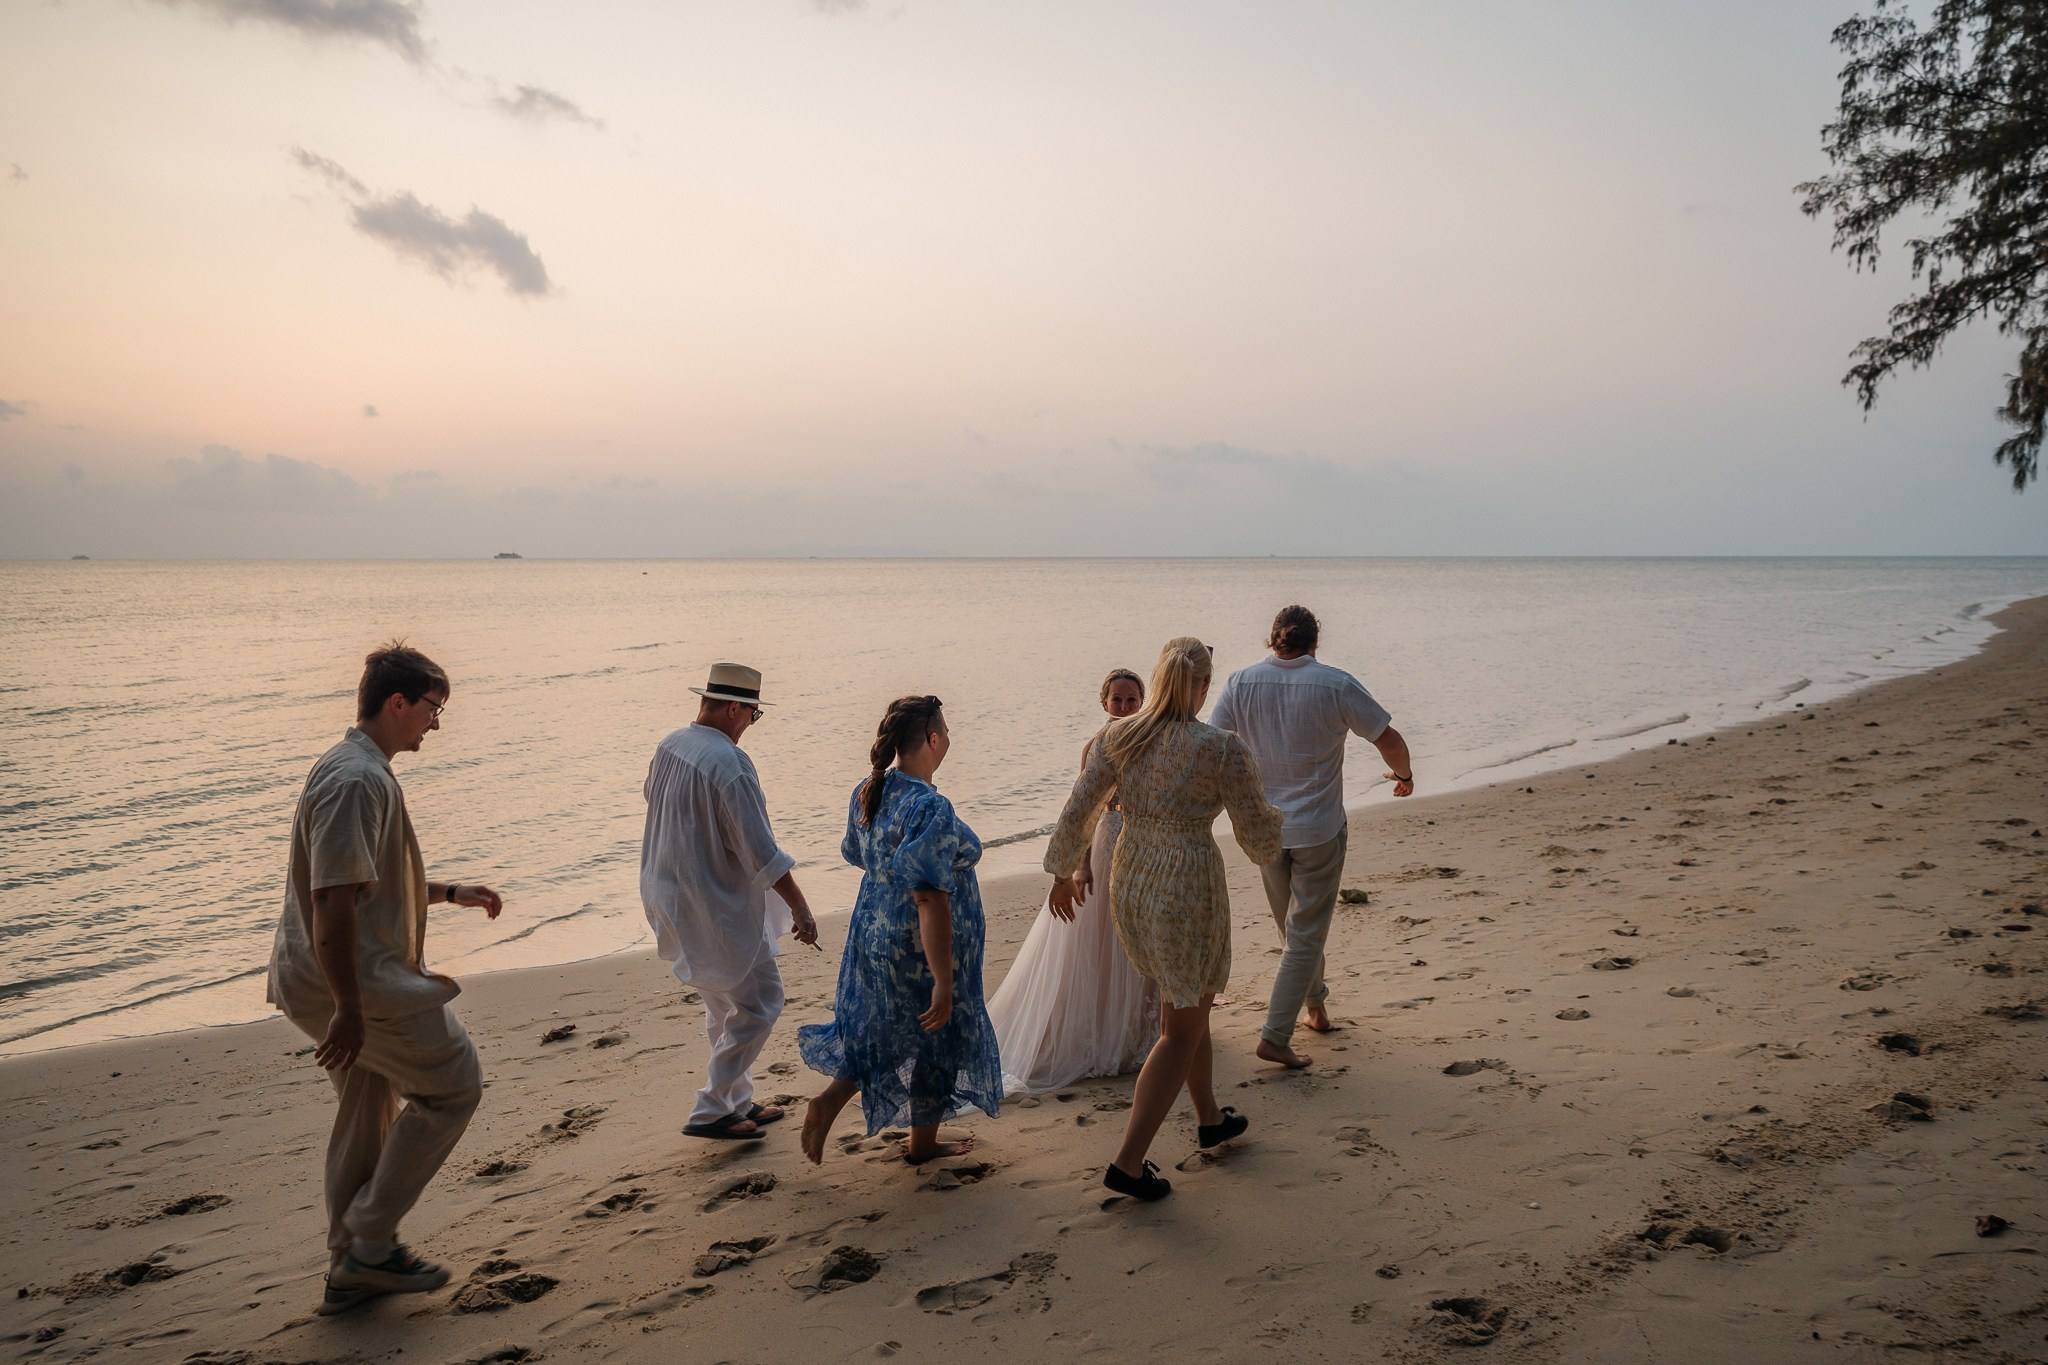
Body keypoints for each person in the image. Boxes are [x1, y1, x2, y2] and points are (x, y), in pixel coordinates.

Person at [265, 642, 507, 1315]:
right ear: (397, 702)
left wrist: (449, 891)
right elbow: (332, 900)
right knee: (454, 1084)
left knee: (367, 1107)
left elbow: (366, 884)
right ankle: (369, 1242)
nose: (436, 723)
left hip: (318, 976)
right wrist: (348, 1007)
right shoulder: (357, 780)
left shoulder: (356, 768)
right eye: (432, 708)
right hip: (348, 984)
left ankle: (351, 1267)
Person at [1044, 638, 1282, 1202]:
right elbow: (1258, 836)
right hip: (1185, 883)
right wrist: (1277, 827)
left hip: (1132, 878)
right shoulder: (1221, 747)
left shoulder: (1119, 736)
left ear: (1157, 679)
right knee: (1179, 1027)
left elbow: (1079, 806)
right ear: (1203, 686)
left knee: (1188, 1001)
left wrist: (1060, 872)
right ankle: (1128, 1163)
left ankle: (1209, 1117)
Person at [799, 695, 1003, 1165]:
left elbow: (857, 853)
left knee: (887, 1029)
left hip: (873, 929)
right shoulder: (931, 806)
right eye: (946, 732)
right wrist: (944, 980)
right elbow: (930, 899)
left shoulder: (870, 789)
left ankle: (834, 1103)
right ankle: (920, 1145)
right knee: (936, 1036)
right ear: (932, 740)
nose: (949, 739)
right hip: (918, 943)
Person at [1209, 605, 1412, 1070]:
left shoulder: (1241, 682)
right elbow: (1390, 740)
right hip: (1318, 828)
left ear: (1271, 639)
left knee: (1294, 930)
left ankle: (1316, 1008)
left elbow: (1215, 747)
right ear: (1314, 642)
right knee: (1302, 934)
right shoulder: (1334, 683)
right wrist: (1404, 776)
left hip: (1263, 828)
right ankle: (1275, 1035)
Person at [641, 662, 820, 1142]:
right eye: (753, 715)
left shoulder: (671, 744)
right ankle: (712, 1106)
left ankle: (736, 1100)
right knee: (761, 1001)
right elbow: (760, 850)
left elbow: (656, 802)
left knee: (723, 1003)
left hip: (668, 891)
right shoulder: (730, 764)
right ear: (735, 709)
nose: (751, 724)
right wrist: (800, 907)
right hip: (712, 901)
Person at [987, 668, 1159, 1093]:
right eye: (1117, 700)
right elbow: (1083, 812)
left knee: (1144, 931)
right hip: (1108, 839)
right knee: (1104, 936)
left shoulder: (1152, 739)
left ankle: (1143, 1032)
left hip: (1145, 842)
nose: (1124, 707)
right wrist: (1081, 866)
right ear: (1104, 703)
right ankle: (1104, 1033)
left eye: (1131, 699)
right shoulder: (1096, 746)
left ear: (1143, 701)